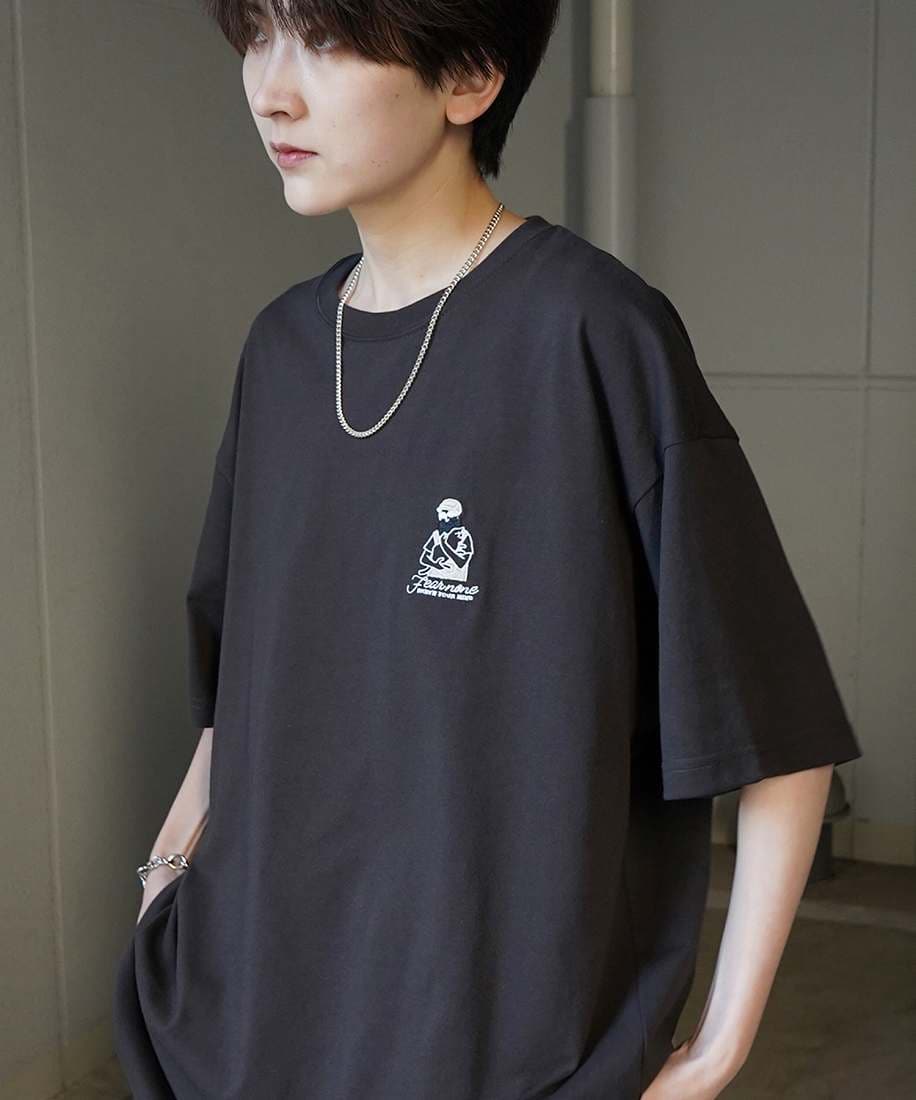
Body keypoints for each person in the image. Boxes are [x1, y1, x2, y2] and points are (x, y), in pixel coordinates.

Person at [112, 2, 863, 1098]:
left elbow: (779, 724)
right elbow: (241, 686)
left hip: (493, 1040)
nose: (271, 90)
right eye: (258, 34)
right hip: (250, 1021)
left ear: (468, 77)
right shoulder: (281, 351)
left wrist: (717, 1047)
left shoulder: (591, 330)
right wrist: (166, 878)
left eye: (325, 41)